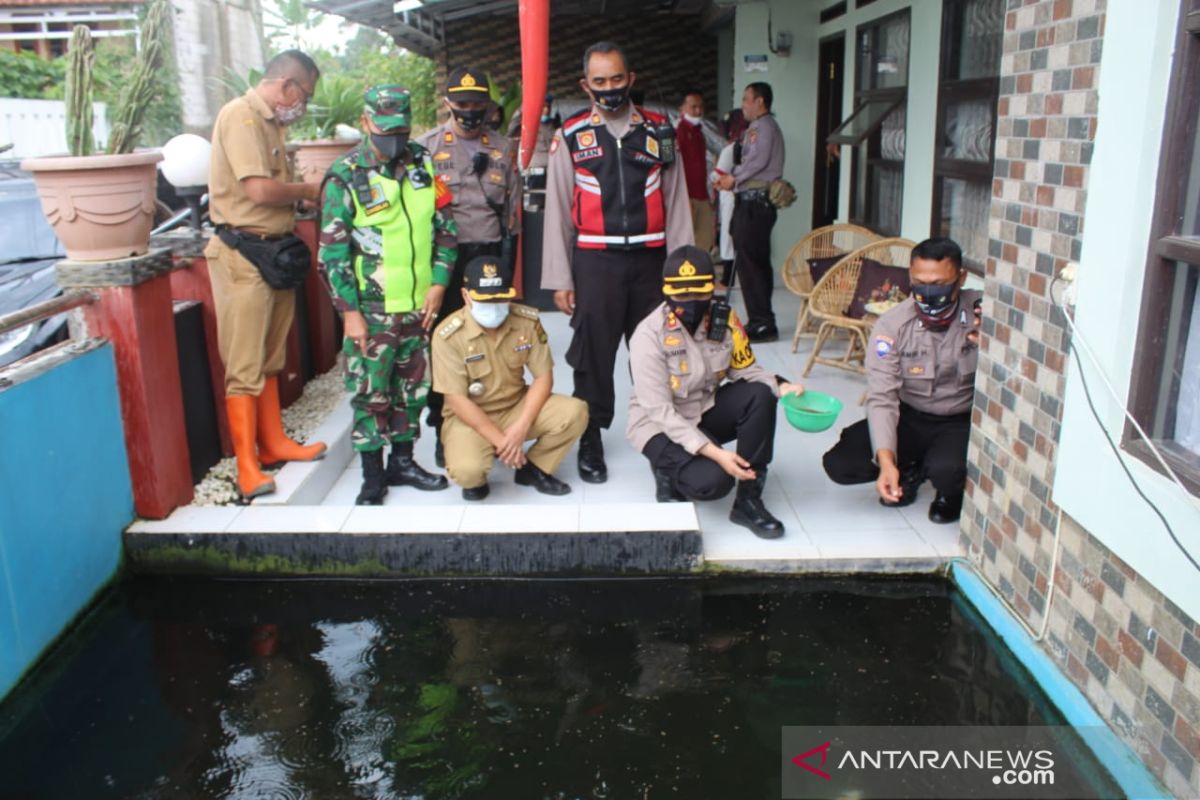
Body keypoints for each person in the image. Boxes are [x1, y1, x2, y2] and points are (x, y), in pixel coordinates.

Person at [542, 40, 694, 484]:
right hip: (596, 262)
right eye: (599, 81)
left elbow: (678, 203)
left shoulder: (659, 131)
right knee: (593, 356)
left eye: (616, 79)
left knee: (660, 355)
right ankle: (591, 438)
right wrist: (560, 278)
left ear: (631, 79)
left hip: (652, 262)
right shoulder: (569, 136)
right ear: (585, 85)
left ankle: (666, 440)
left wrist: (686, 272)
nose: (608, 89)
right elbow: (557, 213)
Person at [318, 85, 457, 505]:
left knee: (411, 390)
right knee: (371, 393)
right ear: (365, 122)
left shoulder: (423, 163)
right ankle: (372, 476)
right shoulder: (345, 174)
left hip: (419, 306)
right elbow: (332, 254)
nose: (392, 139)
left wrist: (438, 283)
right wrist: (349, 313)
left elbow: (446, 228)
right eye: (384, 129)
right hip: (372, 309)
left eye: (400, 129)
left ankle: (403, 461)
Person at [205, 49, 327, 501]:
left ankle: (273, 443)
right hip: (242, 253)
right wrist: (309, 189)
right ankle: (246, 466)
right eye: (305, 95)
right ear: (286, 85)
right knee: (244, 364)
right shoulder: (241, 118)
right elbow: (258, 190)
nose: (304, 105)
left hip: (272, 252)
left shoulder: (271, 124)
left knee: (272, 354)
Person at [627, 245, 805, 538]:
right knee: (713, 483)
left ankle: (749, 499)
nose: (691, 301)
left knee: (761, 394)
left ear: (712, 290)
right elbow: (660, 412)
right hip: (658, 425)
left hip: (703, 409)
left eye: (699, 293)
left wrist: (782, 386)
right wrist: (716, 454)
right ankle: (666, 469)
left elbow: (746, 370)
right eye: (681, 295)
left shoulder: (724, 321)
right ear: (666, 292)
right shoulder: (649, 334)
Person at [821, 238, 982, 524]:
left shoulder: (982, 314)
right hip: (909, 416)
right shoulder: (892, 325)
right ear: (910, 276)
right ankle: (908, 469)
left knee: (947, 470)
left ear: (962, 278)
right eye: (920, 282)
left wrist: (992, 342)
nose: (929, 291)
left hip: (957, 419)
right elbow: (882, 397)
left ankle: (948, 491)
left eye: (939, 283)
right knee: (841, 464)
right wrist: (886, 462)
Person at [417, 67, 522, 468]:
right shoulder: (425, 148)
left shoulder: (502, 148)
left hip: (490, 254)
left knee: (490, 338)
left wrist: (509, 264)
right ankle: (447, 422)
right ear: (447, 104)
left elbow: (512, 210)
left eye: (478, 104)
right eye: (462, 104)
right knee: (445, 342)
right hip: (444, 258)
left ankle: (493, 418)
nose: (469, 111)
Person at [432, 256, 589, 500]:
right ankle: (485, 458)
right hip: (470, 416)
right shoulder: (448, 335)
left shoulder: (526, 321)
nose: (494, 306)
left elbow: (543, 378)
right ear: (465, 295)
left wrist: (520, 427)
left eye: (500, 298)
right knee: (468, 472)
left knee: (575, 411)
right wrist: (503, 441)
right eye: (485, 300)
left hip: (516, 406)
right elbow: (455, 400)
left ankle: (534, 468)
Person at [715, 82, 785, 342]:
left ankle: (763, 322)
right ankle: (761, 318)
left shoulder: (763, 127)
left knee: (751, 264)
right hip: (751, 202)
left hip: (755, 203)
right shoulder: (757, 127)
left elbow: (757, 161)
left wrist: (733, 178)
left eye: (746, 99)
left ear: (760, 102)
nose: (743, 104)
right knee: (753, 262)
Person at [676, 89, 714, 255]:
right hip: (687, 196)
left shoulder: (699, 132)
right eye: (693, 107)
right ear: (682, 109)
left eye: (700, 107)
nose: (698, 111)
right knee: (687, 242)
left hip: (702, 195)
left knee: (704, 240)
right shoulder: (678, 132)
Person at [710, 109, 746, 288]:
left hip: (729, 195)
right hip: (744, 196)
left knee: (727, 237)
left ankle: (727, 279)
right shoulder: (749, 145)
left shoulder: (731, 148)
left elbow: (717, 176)